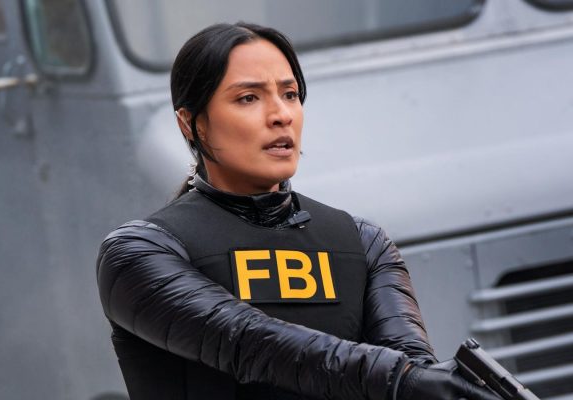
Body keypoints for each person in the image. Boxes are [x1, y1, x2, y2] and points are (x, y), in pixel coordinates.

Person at [96, 22, 500, 400]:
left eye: (289, 94)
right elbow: (247, 341)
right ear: (191, 124)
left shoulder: (362, 241)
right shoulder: (139, 253)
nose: (281, 115)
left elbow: (413, 366)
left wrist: (419, 380)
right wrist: (400, 379)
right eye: (248, 98)